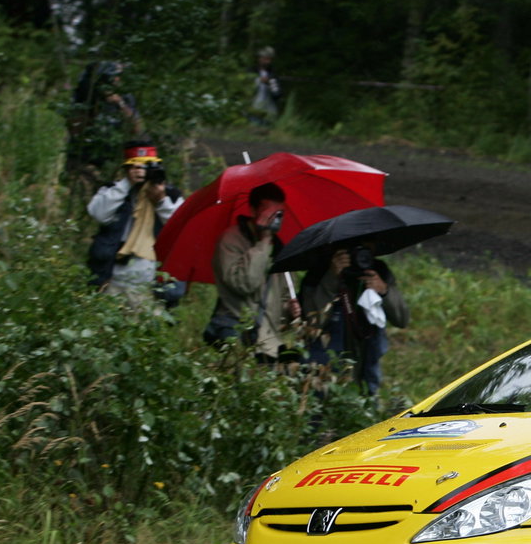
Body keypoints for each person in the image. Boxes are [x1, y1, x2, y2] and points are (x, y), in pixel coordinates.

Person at [205, 182, 301, 361]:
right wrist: (263, 243)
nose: (274, 219)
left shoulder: (281, 250)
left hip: (269, 344)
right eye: (268, 213)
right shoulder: (231, 241)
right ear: (253, 209)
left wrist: (290, 310)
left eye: (278, 214)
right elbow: (244, 284)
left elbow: (284, 300)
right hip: (238, 338)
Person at [85, 141, 186, 309]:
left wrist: (160, 201)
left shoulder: (171, 195)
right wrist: (126, 184)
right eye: (134, 167)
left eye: (145, 166)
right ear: (126, 169)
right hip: (112, 276)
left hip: (149, 280)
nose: (140, 171)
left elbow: (178, 226)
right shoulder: (113, 190)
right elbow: (99, 214)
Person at [302, 242, 409, 395]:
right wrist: (332, 278)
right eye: (355, 247)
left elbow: (402, 319)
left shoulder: (377, 269)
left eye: (367, 246)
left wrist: (384, 290)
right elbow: (313, 323)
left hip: (365, 365)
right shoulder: (319, 271)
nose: (361, 253)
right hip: (325, 370)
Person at [67, 61, 145, 181]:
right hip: (85, 157)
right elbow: (75, 129)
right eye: (114, 76)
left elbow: (137, 128)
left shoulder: (125, 97)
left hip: (114, 158)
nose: (118, 80)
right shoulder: (85, 96)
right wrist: (94, 104)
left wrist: (119, 104)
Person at [248, 46, 282, 126]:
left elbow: (277, 94)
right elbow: (246, 88)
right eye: (265, 59)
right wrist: (259, 80)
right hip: (254, 108)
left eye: (269, 59)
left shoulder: (273, 74)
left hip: (268, 110)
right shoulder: (251, 71)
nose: (267, 62)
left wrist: (270, 83)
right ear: (260, 58)